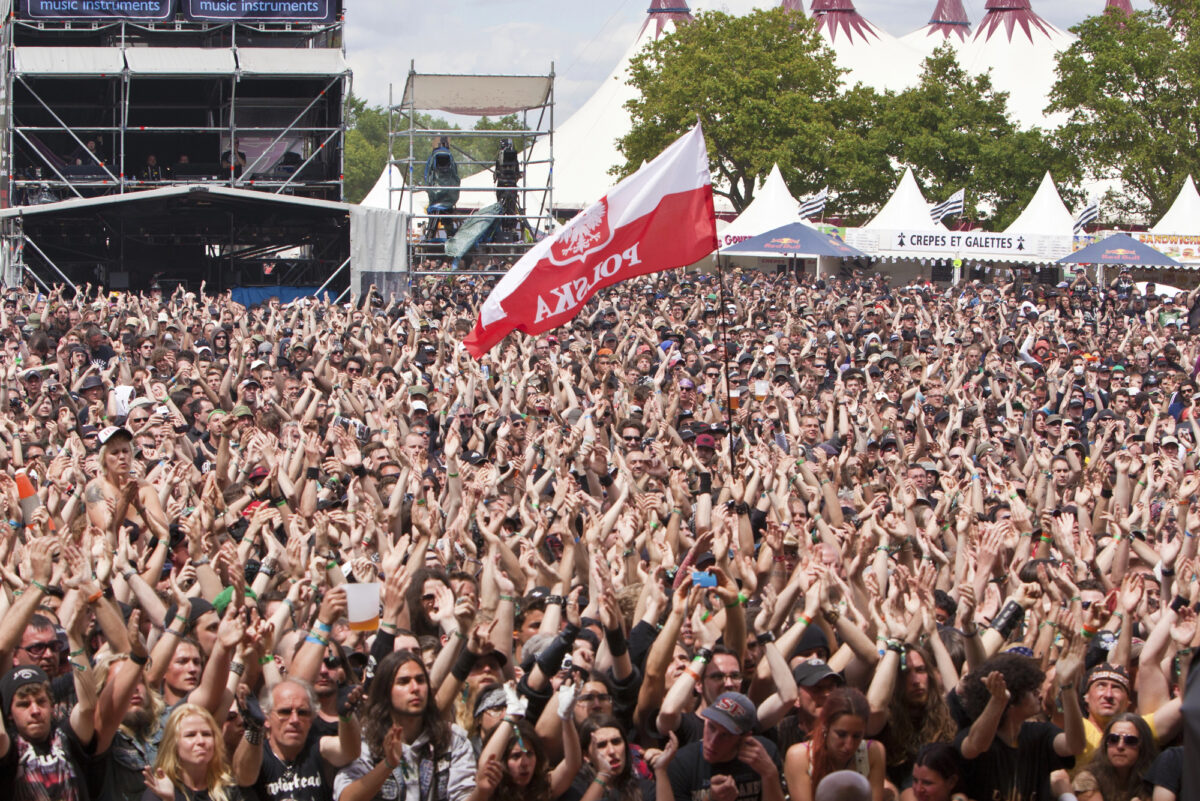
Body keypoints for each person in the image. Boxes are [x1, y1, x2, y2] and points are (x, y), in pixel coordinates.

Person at [664, 692, 784, 801]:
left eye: (725, 735)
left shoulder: (764, 755)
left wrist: (769, 774)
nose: (713, 741)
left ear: (744, 737)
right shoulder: (681, 763)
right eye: (711, 727)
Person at [784, 688, 886, 801]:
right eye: (841, 734)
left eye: (857, 736)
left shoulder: (874, 752)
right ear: (825, 726)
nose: (849, 745)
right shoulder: (799, 757)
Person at [142, 703, 239, 801]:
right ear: (173, 744)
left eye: (206, 734)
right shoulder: (158, 791)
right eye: (190, 735)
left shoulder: (229, 789)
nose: (201, 741)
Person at [1072, 713, 1158, 801]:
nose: (1120, 746)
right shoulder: (1087, 779)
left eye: (1130, 741)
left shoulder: (1154, 781)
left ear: (1143, 746)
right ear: (1105, 744)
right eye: (1113, 739)